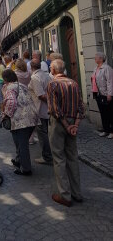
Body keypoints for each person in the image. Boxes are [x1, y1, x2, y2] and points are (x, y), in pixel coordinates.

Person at [47, 59, 84, 207]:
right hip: (72, 122)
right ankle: (77, 193)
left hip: (59, 123)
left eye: (51, 67)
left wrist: (67, 126)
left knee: (59, 158)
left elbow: (55, 110)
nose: (50, 69)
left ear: (54, 70)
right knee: (73, 157)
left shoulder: (53, 84)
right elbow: (81, 107)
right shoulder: (74, 83)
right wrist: (75, 125)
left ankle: (65, 195)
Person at [1, 69, 39, 176]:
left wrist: (6, 115)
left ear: (5, 79)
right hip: (32, 117)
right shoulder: (22, 85)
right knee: (20, 142)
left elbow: (12, 102)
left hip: (21, 119)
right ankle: (19, 160)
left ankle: (26, 169)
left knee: (22, 145)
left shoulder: (9, 88)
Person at [28, 60, 53, 165]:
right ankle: (51, 154)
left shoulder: (35, 78)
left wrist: (51, 102)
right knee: (47, 132)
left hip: (40, 109)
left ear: (31, 68)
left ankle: (46, 156)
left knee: (43, 134)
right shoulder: (46, 75)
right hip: (47, 109)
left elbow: (40, 95)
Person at [91, 52, 113, 138]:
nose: (95, 59)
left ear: (101, 59)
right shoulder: (95, 68)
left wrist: (110, 94)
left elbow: (110, 82)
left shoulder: (107, 68)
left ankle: (112, 131)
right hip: (98, 94)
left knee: (110, 113)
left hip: (106, 94)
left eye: (96, 57)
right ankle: (106, 130)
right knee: (103, 113)